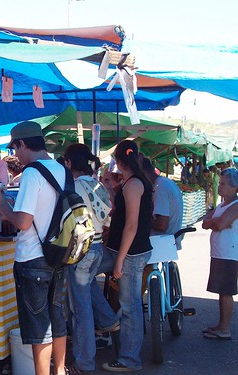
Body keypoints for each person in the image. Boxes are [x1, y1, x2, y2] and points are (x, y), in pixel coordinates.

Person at [0, 121, 68, 375]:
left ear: (23, 144)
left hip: (33, 258)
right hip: (60, 254)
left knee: (39, 326)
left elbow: (23, 222)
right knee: (57, 321)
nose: (15, 155)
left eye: (15, 148)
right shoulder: (62, 169)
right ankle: (59, 370)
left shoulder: (33, 174)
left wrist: (2, 204)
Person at [96, 140, 153, 372]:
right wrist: (110, 188)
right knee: (82, 272)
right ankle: (107, 320)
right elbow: (121, 214)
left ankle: (130, 359)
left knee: (130, 306)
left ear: (119, 162)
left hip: (130, 252)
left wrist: (119, 260)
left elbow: (131, 225)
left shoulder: (133, 185)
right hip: (124, 249)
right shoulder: (134, 183)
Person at [62, 143, 112, 373]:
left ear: (69, 163)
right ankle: (110, 320)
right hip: (98, 247)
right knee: (86, 299)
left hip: (80, 250)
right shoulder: (98, 185)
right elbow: (108, 220)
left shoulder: (73, 187)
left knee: (80, 311)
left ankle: (84, 363)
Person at [201, 167, 238, 340]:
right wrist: (215, 222)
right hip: (220, 253)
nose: (220, 187)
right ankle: (221, 325)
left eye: (224, 184)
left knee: (226, 291)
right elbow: (205, 222)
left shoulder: (235, 205)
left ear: (234, 187)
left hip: (229, 254)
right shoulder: (223, 204)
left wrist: (215, 222)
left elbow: (219, 224)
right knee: (221, 291)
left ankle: (224, 328)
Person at [140, 156, 184, 248]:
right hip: (167, 238)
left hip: (162, 241)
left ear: (143, 173)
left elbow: (162, 225)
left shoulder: (160, 188)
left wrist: (141, 220)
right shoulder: (164, 182)